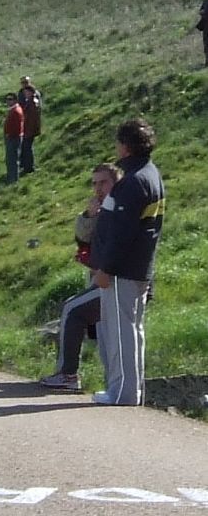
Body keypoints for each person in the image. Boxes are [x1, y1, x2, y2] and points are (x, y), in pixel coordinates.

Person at [89, 118, 165, 406]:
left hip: (122, 270)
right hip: (138, 267)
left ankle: (122, 392)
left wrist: (106, 268)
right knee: (133, 330)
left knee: (121, 332)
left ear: (125, 146)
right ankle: (133, 390)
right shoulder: (151, 174)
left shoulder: (132, 182)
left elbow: (121, 233)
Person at [40, 162, 122, 391]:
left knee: (73, 310)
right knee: (104, 335)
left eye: (103, 182)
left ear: (116, 182)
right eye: (94, 183)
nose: (98, 188)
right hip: (97, 274)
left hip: (115, 278)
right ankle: (110, 384)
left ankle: (68, 375)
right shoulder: (98, 209)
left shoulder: (120, 207)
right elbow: (82, 238)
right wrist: (89, 215)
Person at [20, 84, 41, 175]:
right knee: (26, 148)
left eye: (26, 92)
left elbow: (32, 119)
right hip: (28, 129)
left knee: (27, 148)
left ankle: (29, 167)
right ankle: (27, 166)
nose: (25, 94)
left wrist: (29, 130)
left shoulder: (32, 103)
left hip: (29, 130)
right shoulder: (29, 101)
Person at [3, 93, 24, 184]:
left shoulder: (16, 111)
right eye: (7, 99)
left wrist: (9, 134)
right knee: (11, 159)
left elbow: (16, 127)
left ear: (15, 100)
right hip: (13, 137)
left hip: (13, 138)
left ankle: (13, 179)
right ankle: (12, 177)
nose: (8, 101)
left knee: (12, 159)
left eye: (10, 99)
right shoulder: (13, 110)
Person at [195, 0, 208, 67]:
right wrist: (203, 12)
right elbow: (201, 10)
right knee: (206, 44)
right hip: (206, 26)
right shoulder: (206, 0)